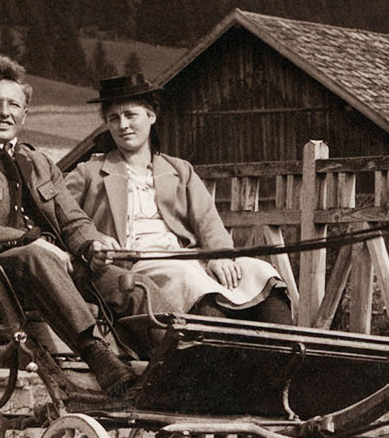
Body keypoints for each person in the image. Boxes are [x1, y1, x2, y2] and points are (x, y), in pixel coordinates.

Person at [0, 56, 147, 396]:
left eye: (13, 104)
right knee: (35, 256)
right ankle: (98, 356)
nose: (4, 112)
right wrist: (28, 241)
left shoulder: (40, 162)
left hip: (55, 269)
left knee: (127, 283)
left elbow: (72, 219)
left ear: (24, 114)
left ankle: (171, 360)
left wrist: (91, 245)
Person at [66, 72, 293, 324]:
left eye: (131, 115)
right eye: (113, 118)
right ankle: (220, 355)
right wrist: (95, 240)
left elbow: (207, 220)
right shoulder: (89, 172)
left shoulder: (179, 170)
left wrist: (219, 256)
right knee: (190, 282)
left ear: (151, 116)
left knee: (257, 271)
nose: (123, 125)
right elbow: (62, 218)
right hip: (138, 264)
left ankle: (287, 354)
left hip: (186, 257)